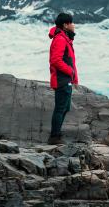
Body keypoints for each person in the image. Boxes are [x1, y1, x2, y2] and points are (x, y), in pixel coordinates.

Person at [47, 12, 79, 145]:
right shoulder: (60, 39)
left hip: (67, 79)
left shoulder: (65, 38)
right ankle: (55, 137)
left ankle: (57, 134)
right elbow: (55, 60)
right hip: (62, 80)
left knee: (65, 108)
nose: (74, 25)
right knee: (60, 108)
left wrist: (74, 78)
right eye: (71, 22)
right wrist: (70, 72)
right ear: (65, 25)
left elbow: (71, 60)